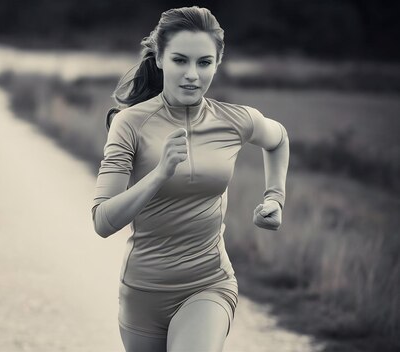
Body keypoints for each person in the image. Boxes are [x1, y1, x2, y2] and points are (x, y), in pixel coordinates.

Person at [91, 6, 289, 352]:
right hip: (143, 293)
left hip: (209, 283)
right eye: (180, 60)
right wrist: (159, 175)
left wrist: (275, 197)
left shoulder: (235, 120)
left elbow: (279, 138)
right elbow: (103, 220)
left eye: (204, 63)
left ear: (217, 63)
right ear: (160, 60)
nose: (192, 75)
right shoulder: (130, 124)